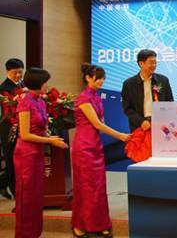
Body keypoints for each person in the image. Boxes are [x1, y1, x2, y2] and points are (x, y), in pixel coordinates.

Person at [71, 63, 131, 238]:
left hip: (95, 145)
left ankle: (100, 223)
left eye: (103, 78)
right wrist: (121, 136)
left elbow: (101, 122)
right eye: (99, 78)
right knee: (85, 187)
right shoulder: (83, 98)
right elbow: (97, 124)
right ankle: (80, 224)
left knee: (98, 187)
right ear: (88, 78)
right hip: (84, 147)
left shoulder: (96, 97)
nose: (102, 81)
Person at [13, 68, 68, 237]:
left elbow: (40, 129)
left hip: (37, 153)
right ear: (37, 83)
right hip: (26, 154)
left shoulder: (40, 101)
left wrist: (51, 137)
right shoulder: (25, 102)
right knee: (27, 197)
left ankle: (34, 232)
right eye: (45, 82)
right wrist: (50, 141)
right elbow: (25, 134)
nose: (47, 85)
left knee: (37, 197)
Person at [121, 49, 174, 132]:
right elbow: (127, 108)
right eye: (151, 62)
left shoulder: (163, 80)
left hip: (161, 125)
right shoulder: (129, 84)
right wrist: (141, 121)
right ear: (141, 63)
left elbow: (170, 101)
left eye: (155, 62)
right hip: (140, 126)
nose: (154, 65)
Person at [0, 58, 24, 200]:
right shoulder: (3, 88)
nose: (18, 76)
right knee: (11, 159)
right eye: (15, 73)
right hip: (8, 127)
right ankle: (16, 192)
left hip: (22, 125)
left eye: (20, 72)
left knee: (19, 160)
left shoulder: (23, 84)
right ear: (7, 71)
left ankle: (2, 183)